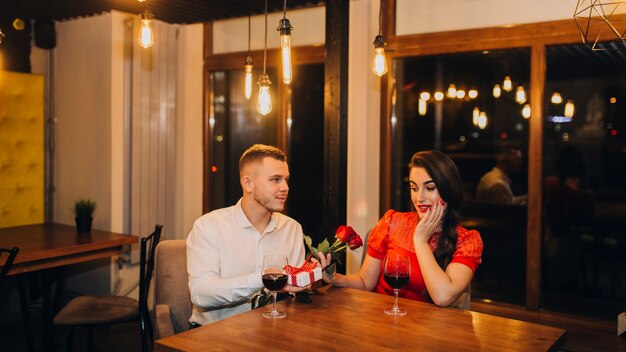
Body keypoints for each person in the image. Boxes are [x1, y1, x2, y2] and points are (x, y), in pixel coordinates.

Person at [317, 150, 483, 306]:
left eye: (430, 188)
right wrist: (335, 279)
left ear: (449, 190)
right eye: (414, 188)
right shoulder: (393, 222)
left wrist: (420, 240)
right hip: (380, 317)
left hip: (426, 329)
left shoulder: (467, 240)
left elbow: (443, 297)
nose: (419, 198)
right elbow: (365, 282)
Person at [186, 144, 307, 326]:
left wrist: (310, 277)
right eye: (275, 179)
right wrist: (262, 279)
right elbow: (201, 295)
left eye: (286, 180)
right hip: (214, 334)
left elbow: (294, 293)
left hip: (274, 330)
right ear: (248, 183)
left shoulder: (293, 229)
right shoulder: (208, 226)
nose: (285, 187)